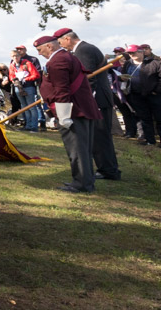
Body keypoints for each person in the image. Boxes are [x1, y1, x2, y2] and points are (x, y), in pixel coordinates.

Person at [33, 34, 102, 193]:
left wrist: (63, 116)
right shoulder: (66, 57)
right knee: (82, 149)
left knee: (77, 150)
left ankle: (81, 184)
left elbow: (61, 89)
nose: (39, 53)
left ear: (49, 46)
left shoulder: (59, 60)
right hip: (80, 108)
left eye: (40, 49)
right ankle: (85, 181)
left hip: (73, 111)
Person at [54, 28, 121, 180]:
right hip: (96, 98)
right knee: (98, 136)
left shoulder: (84, 50)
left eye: (60, 42)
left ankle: (109, 170)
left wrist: (81, 99)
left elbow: (88, 78)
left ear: (68, 39)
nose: (62, 46)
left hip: (97, 99)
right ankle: (107, 168)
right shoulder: (83, 49)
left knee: (100, 136)